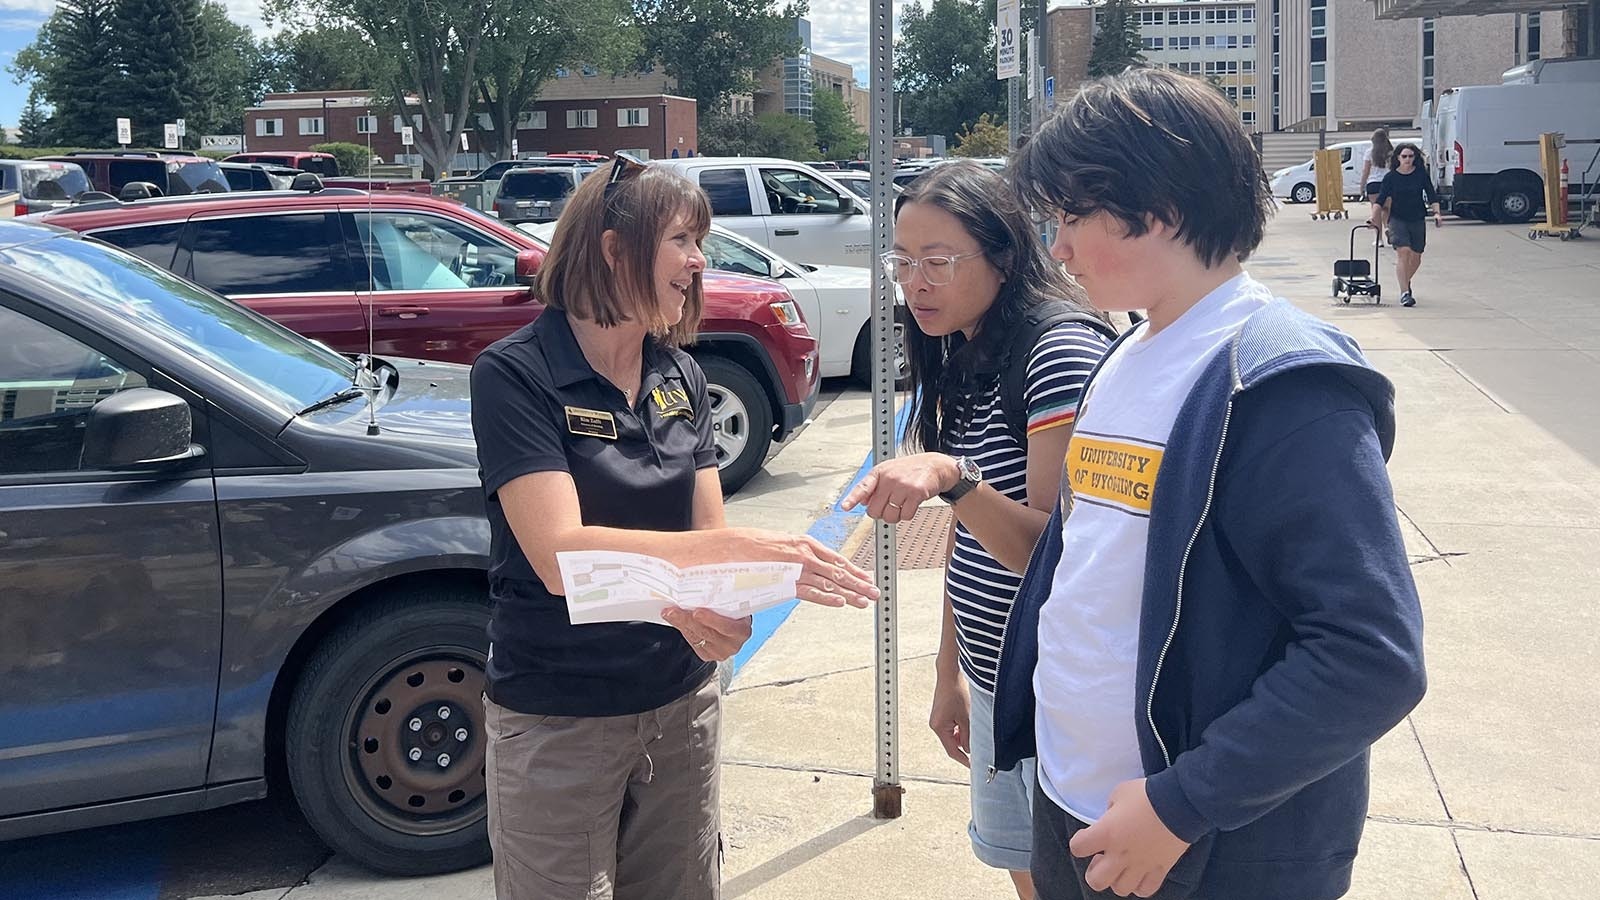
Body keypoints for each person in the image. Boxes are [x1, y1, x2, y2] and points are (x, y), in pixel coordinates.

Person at [999, 67, 1427, 900]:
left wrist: (1182, 805)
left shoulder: (1284, 386)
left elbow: (1369, 655)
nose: (1056, 249)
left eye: (1071, 218)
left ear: (1157, 210)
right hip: (1077, 805)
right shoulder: (1127, 352)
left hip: (1202, 846)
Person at [470, 154, 879, 900]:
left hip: (679, 706)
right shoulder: (515, 374)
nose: (699, 261)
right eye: (684, 240)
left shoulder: (679, 375)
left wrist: (725, 614)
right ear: (613, 246)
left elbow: (706, 547)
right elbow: (561, 558)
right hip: (558, 718)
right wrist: (740, 551)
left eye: (701, 241)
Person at [841, 161, 1113, 900]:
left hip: (1056, 695)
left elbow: (1052, 552)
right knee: (1029, 876)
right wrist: (948, 674)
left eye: (937, 261)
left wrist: (952, 479)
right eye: (901, 260)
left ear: (1003, 256)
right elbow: (973, 542)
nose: (914, 282)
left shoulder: (1056, 353)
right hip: (998, 680)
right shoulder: (968, 349)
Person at [1376, 142, 1443, 308]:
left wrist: (1437, 213)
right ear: (1398, 158)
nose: (1407, 159)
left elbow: (1432, 195)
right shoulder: (1390, 177)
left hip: (1417, 218)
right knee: (1403, 252)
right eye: (1404, 156)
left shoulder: (1420, 175)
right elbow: (1380, 200)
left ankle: (1405, 281)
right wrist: (1373, 218)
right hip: (1397, 219)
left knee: (1416, 257)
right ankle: (1405, 293)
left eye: (1411, 156)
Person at [1359, 127, 1394, 235]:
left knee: (1376, 210)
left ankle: (1378, 239)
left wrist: (1362, 186)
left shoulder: (1369, 152)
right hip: (1388, 183)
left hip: (1373, 184)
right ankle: (1387, 227)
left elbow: (1366, 171)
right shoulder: (1391, 153)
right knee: (1386, 209)